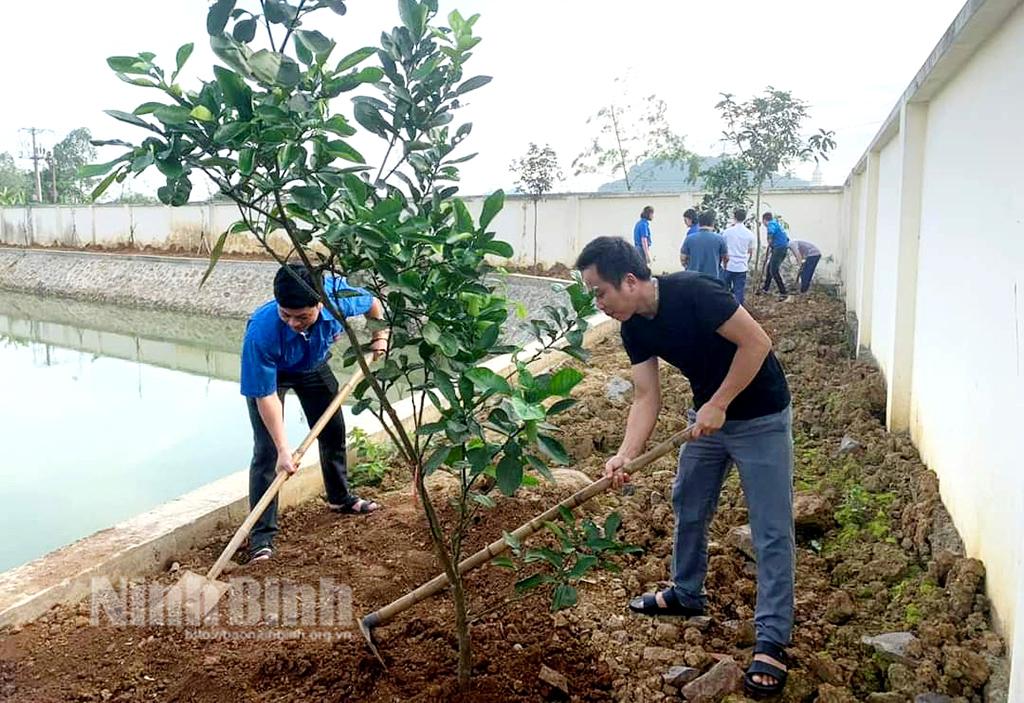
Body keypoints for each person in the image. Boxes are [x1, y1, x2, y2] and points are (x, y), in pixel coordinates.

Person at [575, 237, 795, 698]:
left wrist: (719, 403)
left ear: (630, 281)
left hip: (760, 417)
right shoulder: (634, 327)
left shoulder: (696, 292)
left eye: (599, 292)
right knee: (688, 502)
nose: (597, 303)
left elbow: (757, 343)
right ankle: (686, 592)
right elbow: (645, 396)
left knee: (770, 529)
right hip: (707, 423)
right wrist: (625, 453)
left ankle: (772, 638)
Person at [240, 264, 389, 562]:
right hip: (275, 376)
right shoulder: (261, 332)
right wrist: (285, 450)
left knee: (333, 432)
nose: (294, 323)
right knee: (267, 452)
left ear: (320, 303)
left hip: (313, 367)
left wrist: (380, 338)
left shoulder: (339, 298)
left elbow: (374, 303)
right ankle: (261, 538)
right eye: (286, 315)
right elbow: (266, 395)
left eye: (303, 316)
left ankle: (340, 499)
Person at [720, 208, 755, 305]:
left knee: (724, 291)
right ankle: (738, 312)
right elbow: (750, 252)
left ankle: (724, 310)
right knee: (739, 292)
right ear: (745, 218)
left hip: (728, 265)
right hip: (741, 266)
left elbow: (723, 250)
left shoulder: (727, 232)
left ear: (734, 217)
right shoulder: (750, 234)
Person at [680, 210, 727, 278]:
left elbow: (683, 258)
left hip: (693, 276)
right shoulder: (720, 239)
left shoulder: (690, 237)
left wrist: (688, 267)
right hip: (712, 277)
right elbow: (725, 257)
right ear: (712, 223)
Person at [760, 212, 790, 298]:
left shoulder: (771, 224)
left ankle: (783, 292)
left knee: (773, 270)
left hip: (779, 249)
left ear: (765, 220)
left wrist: (769, 241)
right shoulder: (777, 223)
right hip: (781, 248)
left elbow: (771, 232)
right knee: (769, 267)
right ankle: (765, 288)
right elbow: (786, 238)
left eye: (763, 222)